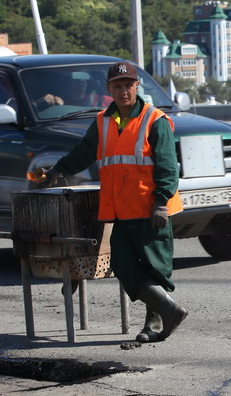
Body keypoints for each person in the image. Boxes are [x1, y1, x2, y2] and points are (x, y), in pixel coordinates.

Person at [43, 61, 188, 343]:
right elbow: (83, 153)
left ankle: (153, 324)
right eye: (118, 86)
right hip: (121, 211)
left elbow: (168, 167)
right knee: (122, 265)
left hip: (150, 210)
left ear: (137, 87)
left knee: (154, 269)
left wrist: (160, 202)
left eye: (129, 85)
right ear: (109, 89)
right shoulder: (103, 121)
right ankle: (169, 310)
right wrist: (58, 170)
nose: (124, 91)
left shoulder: (154, 120)